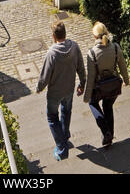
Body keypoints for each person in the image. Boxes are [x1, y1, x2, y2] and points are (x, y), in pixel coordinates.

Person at [36, 21, 86, 161]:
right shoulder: (74, 47)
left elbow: (45, 76)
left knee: (52, 117)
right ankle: (65, 135)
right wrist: (82, 83)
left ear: (53, 36)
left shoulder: (52, 53)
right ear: (65, 33)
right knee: (66, 111)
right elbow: (81, 67)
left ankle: (62, 148)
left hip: (55, 93)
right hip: (69, 89)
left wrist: (39, 88)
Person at [83, 22, 129, 146]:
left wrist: (86, 96)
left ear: (94, 36)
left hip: (99, 88)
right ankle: (110, 136)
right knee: (108, 107)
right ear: (106, 32)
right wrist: (126, 80)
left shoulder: (92, 53)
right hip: (113, 85)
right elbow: (123, 66)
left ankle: (105, 130)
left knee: (93, 103)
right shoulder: (115, 47)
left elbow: (91, 77)